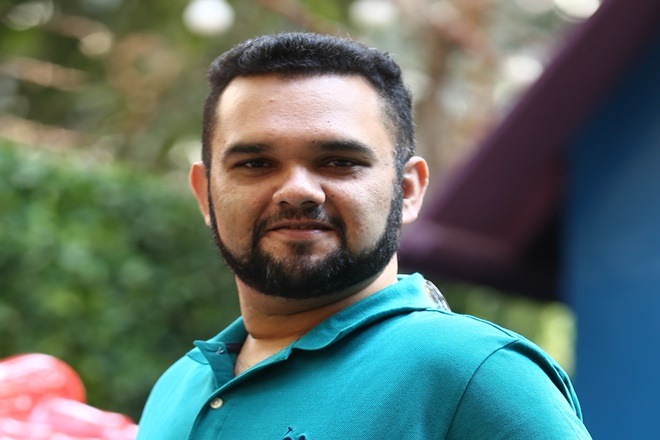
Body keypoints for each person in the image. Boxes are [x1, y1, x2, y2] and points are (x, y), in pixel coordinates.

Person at [137, 32, 591, 439]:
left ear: (407, 190)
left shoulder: (476, 373)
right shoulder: (178, 386)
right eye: (255, 164)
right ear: (205, 193)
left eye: (340, 162)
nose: (297, 190)